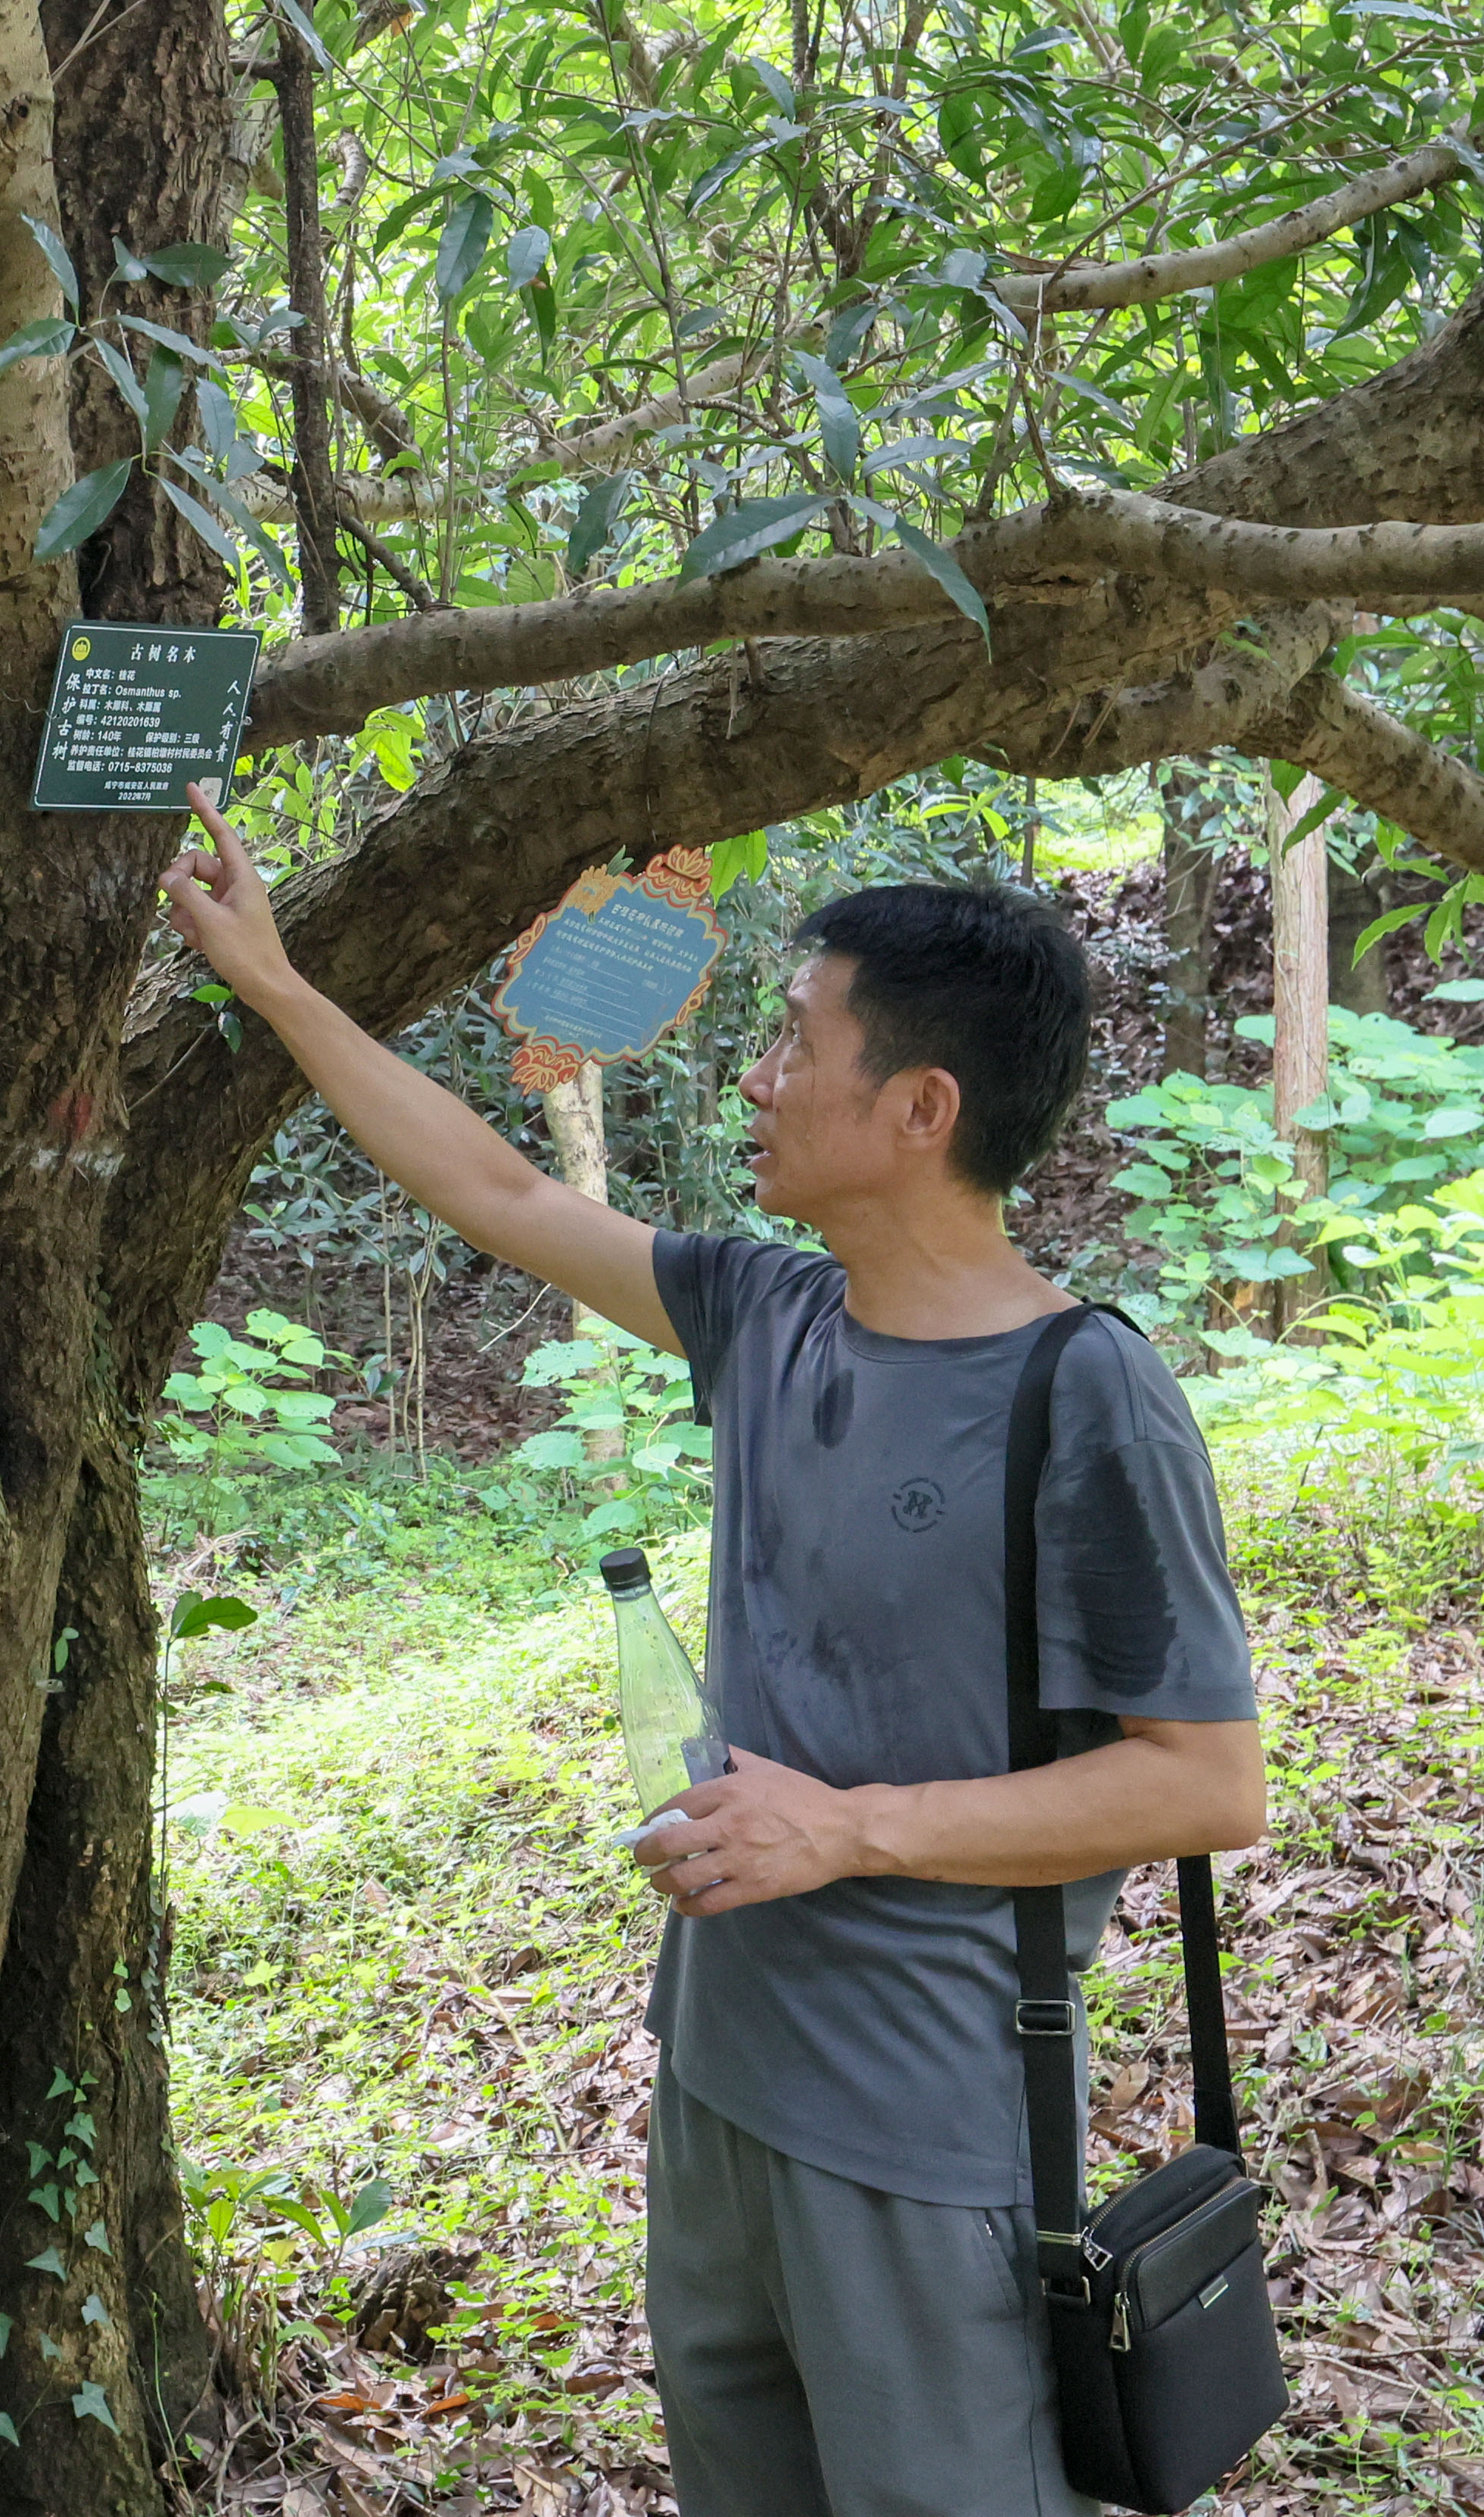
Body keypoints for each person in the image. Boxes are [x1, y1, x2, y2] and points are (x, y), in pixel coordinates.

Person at [157, 790, 1265, 2517]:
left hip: (922, 2125)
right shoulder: (767, 1310)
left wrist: (854, 1823)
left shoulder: (1087, 1397)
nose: (752, 1076)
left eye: (791, 1041)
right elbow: (497, 1184)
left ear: (921, 1108)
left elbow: (1207, 1778)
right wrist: (278, 983)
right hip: (720, 2078)